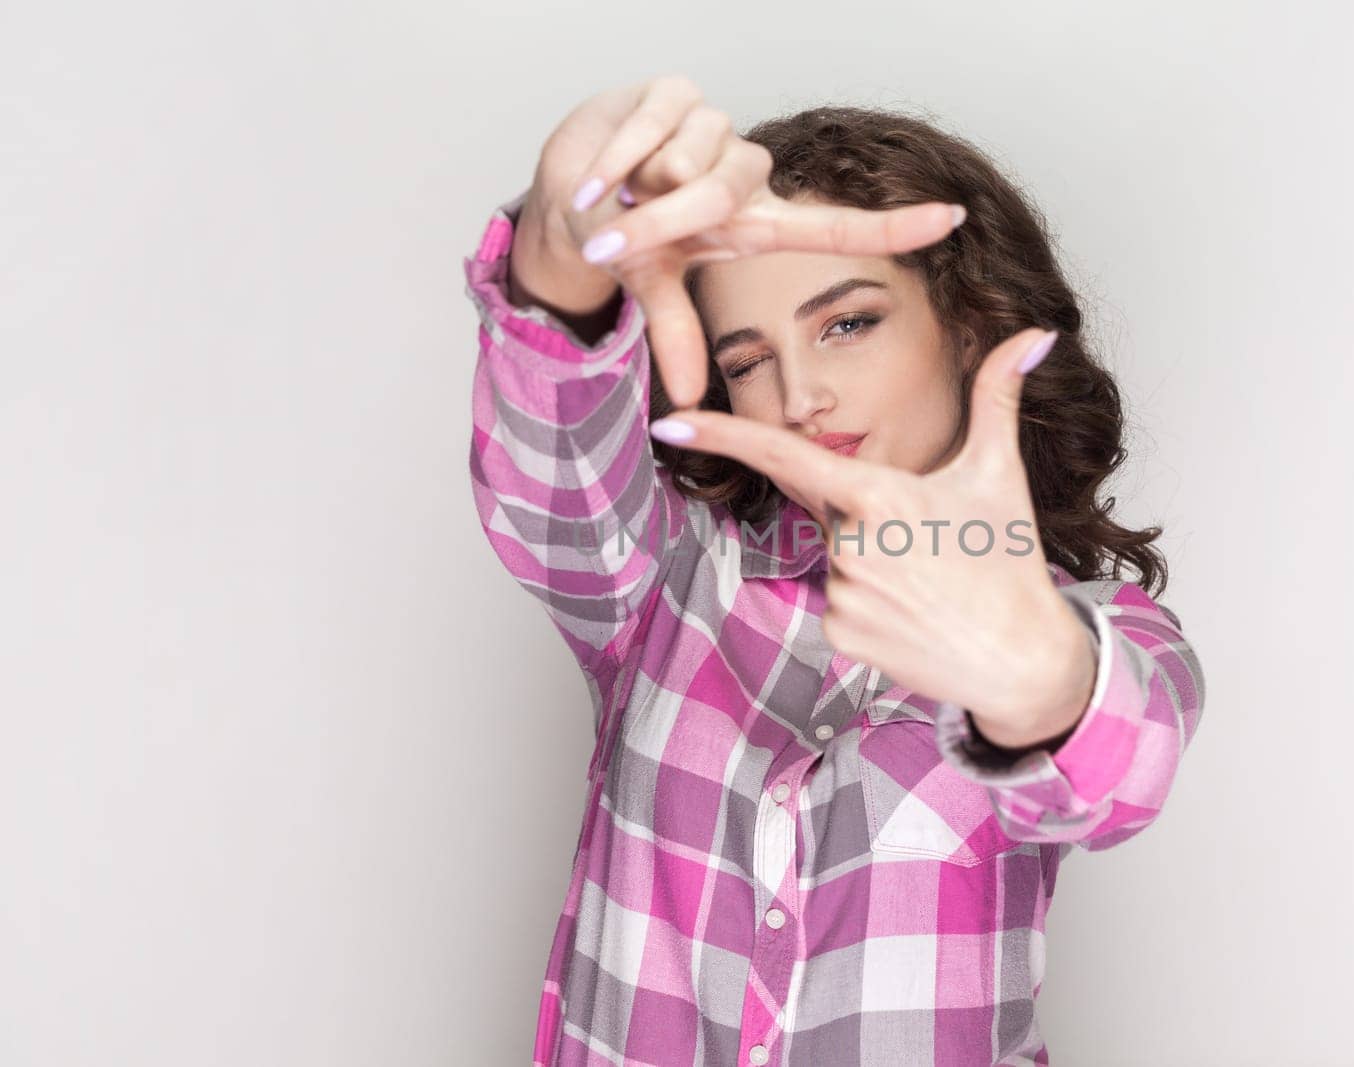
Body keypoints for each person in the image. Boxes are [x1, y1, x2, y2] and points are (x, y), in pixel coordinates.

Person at [462, 75, 1207, 1067]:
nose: (799, 394)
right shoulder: (671, 579)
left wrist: (1040, 678)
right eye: (748, 356)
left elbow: (1124, 754)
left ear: (971, 324)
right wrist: (563, 250)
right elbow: (548, 474)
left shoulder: (1092, 626)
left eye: (846, 322)